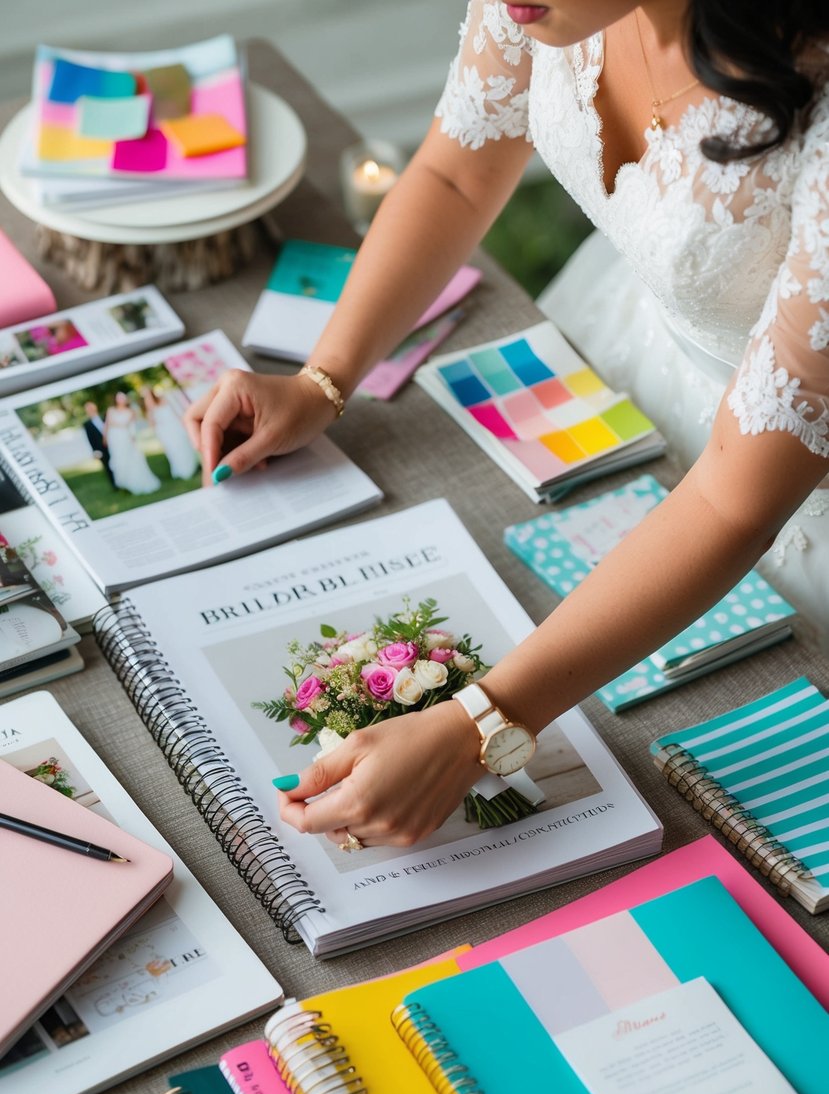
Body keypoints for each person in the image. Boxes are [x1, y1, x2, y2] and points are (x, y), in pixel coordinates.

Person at [184, 1, 829, 851]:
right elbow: (455, 175)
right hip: (634, 365)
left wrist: (477, 725)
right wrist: (322, 377)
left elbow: (729, 501)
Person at [104, 392, 162, 496]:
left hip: (125, 437)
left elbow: (131, 426)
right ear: (116, 399)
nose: (121, 400)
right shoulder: (111, 410)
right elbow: (108, 424)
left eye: (123, 398)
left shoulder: (131, 411)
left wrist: (132, 438)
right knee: (119, 459)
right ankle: (124, 483)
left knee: (130, 458)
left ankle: (134, 482)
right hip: (115, 439)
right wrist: (105, 437)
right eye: (119, 398)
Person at [140, 385, 200, 480]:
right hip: (164, 431)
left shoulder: (164, 399)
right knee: (173, 450)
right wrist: (150, 410)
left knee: (182, 445)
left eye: (148, 394)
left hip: (174, 426)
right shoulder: (149, 408)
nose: (147, 398)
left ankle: (191, 466)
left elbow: (174, 412)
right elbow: (152, 424)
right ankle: (182, 470)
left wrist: (182, 422)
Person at [81, 401, 115, 488]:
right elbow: (90, 439)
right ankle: (114, 485)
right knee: (108, 467)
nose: (90, 410)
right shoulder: (87, 424)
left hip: (113, 445)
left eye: (91, 407)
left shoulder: (104, 417)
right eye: (88, 409)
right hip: (101, 448)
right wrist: (95, 451)